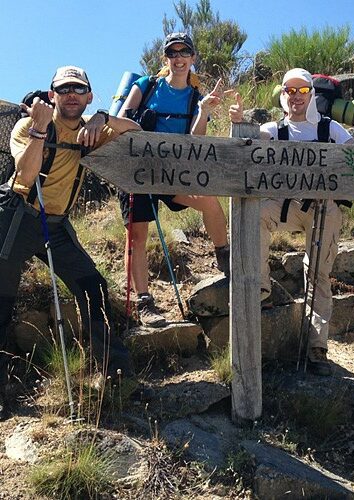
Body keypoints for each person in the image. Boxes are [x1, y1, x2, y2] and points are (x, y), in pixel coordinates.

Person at [0, 65, 142, 418]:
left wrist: (105, 118)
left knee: (92, 287)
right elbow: (27, 174)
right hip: (16, 217)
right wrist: (38, 129)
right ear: (52, 96)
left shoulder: (92, 131)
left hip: (57, 226)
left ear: (89, 96)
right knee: (1, 303)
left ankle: (116, 375)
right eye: (64, 90)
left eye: (78, 89)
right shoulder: (26, 125)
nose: (71, 95)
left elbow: (137, 131)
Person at [230, 68, 354, 376]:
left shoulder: (331, 128)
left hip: (323, 208)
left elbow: (353, 153)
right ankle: (260, 287)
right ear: (282, 95)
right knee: (256, 215)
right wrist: (237, 124)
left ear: (311, 95)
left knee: (318, 274)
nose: (296, 97)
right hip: (283, 205)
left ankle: (317, 346)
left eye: (302, 91)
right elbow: (246, 148)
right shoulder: (272, 128)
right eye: (290, 91)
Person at [118, 32, 230, 328]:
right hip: (138, 171)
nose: (178, 58)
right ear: (164, 58)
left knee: (210, 203)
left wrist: (204, 111)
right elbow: (124, 120)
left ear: (193, 58)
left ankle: (225, 258)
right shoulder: (146, 86)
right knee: (137, 237)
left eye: (184, 53)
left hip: (171, 174)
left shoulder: (195, 97)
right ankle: (144, 302)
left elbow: (195, 142)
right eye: (172, 53)